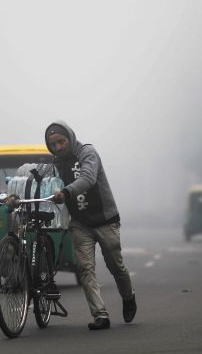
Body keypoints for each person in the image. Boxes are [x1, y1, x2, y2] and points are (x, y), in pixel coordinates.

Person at [45, 121, 136, 330]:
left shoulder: (87, 152)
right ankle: (100, 315)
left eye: (61, 142)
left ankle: (128, 296)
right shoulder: (56, 162)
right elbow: (42, 178)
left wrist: (66, 192)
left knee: (116, 266)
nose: (58, 147)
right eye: (53, 145)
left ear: (70, 137)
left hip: (105, 220)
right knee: (85, 269)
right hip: (80, 224)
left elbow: (88, 178)